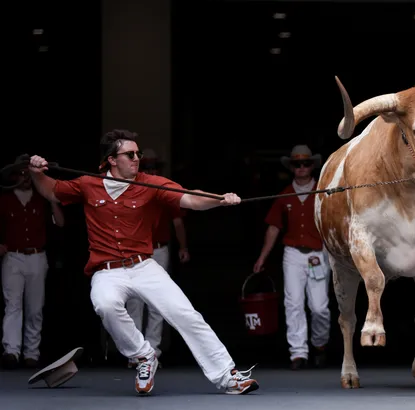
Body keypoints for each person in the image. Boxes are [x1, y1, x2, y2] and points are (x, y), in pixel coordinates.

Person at [27, 129, 258, 396]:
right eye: (130, 154)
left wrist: (220, 200)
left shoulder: (151, 184)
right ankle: (143, 356)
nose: (137, 158)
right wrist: (36, 173)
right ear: (112, 160)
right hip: (107, 270)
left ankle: (228, 376)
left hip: (143, 266)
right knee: (105, 303)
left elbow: (191, 198)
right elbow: (52, 191)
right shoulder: (87, 184)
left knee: (186, 314)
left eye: (138, 153)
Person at [253, 144, 331, 370]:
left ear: (312, 166)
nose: (301, 167)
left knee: (319, 308)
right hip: (293, 254)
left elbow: (335, 226)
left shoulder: (323, 193)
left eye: (305, 163)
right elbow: (273, 228)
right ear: (291, 167)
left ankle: (319, 344)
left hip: (318, 254)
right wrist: (262, 257)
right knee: (293, 303)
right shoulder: (284, 195)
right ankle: (298, 353)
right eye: (297, 164)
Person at [125, 148, 190, 369]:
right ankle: (136, 355)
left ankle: (153, 353)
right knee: (134, 302)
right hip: (135, 251)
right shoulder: (131, 189)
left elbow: (178, 222)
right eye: (148, 167)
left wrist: (183, 247)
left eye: (154, 167)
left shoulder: (163, 189)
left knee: (157, 304)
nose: (151, 170)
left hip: (159, 250)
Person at [0, 156, 65, 369]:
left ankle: (31, 353)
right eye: (21, 174)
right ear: (14, 176)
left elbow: (60, 223)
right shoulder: (5, 199)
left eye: (28, 174)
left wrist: (53, 199)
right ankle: (11, 350)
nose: (25, 178)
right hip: (14, 256)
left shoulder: (41, 198)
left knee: (35, 307)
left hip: (37, 256)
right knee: (13, 305)